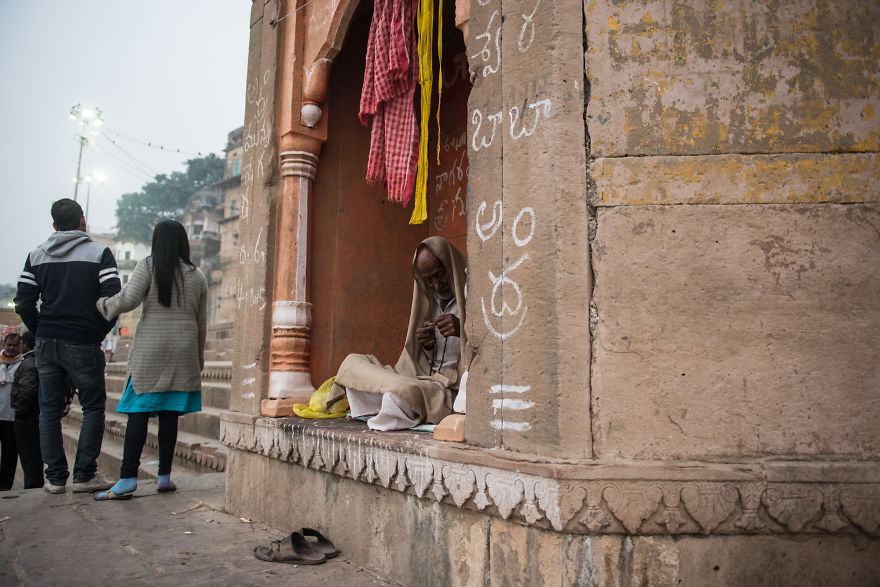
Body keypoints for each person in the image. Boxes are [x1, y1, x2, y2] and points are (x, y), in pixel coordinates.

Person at [94, 220, 206, 500]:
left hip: (150, 352)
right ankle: (165, 478)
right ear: (183, 242)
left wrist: (102, 305)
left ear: (157, 241)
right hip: (184, 352)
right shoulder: (197, 275)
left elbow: (128, 300)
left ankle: (127, 478)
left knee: (138, 413)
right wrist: (198, 360)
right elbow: (201, 324)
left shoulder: (148, 265)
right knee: (169, 416)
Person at [14, 198, 120, 494]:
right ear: (83, 221)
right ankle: (84, 474)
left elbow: (23, 302)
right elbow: (113, 299)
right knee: (93, 407)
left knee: (48, 410)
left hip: (47, 342)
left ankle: (55, 478)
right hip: (84, 341)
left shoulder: (35, 256)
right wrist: (98, 331)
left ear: (54, 225)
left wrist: (40, 330)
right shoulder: (99, 254)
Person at [332, 236, 467, 431]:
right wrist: (427, 346)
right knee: (353, 363)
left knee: (402, 391)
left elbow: (486, 351)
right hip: (418, 379)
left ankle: (393, 403)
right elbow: (418, 362)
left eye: (440, 275)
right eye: (429, 280)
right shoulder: (431, 301)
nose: (437, 285)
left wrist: (461, 330)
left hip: (445, 390)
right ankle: (391, 403)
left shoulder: (472, 295)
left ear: (450, 265)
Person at [11, 331, 44, 489]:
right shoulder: (35, 361)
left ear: (25, 344)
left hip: (28, 417)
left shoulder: (29, 363)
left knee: (29, 456)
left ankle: (33, 486)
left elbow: (26, 390)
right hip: (34, 415)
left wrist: (19, 412)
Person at [0, 333, 23, 490]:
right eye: (9, 345)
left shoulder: (23, 364)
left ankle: (5, 484)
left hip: (11, 416)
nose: (11, 348)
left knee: (9, 454)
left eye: (15, 345)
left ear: (20, 346)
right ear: (4, 344)